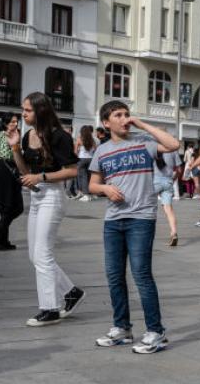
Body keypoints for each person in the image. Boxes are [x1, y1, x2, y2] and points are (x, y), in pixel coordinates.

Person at [89, 101, 181, 352]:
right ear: (106, 123)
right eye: (118, 115)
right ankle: (122, 328)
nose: (124, 118)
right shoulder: (102, 150)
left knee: (141, 275)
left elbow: (174, 145)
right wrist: (105, 188)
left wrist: (141, 124)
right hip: (113, 220)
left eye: (126, 114)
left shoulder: (144, 142)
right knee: (114, 275)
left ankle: (156, 331)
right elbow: (92, 185)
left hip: (141, 218)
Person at [11, 91, 85, 326]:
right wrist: (15, 148)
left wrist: (40, 177)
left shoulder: (58, 136)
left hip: (52, 195)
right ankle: (71, 292)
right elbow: (25, 172)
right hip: (36, 196)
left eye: (28, 110)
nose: (23, 114)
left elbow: (72, 171)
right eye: (23, 109)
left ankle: (49, 308)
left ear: (40, 111)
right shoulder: (28, 136)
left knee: (43, 254)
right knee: (35, 255)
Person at [0, 115, 24, 250]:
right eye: (12, 121)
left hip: (6, 171)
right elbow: (6, 155)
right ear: (5, 123)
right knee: (15, 208)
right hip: (7, 171)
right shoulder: (3, 135)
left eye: (16, 121)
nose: (15, 124)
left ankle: (2, 241)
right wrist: (16, 145)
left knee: (7, 209)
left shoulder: (8, 135)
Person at [75, 125, 96, 202]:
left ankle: (85, 194)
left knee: (82, 176)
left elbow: (75, 151)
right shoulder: (92, 140)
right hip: (91, 159)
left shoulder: (79, 139)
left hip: (82, 159)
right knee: (89, 176)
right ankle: (90, 193)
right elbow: (95, 149)